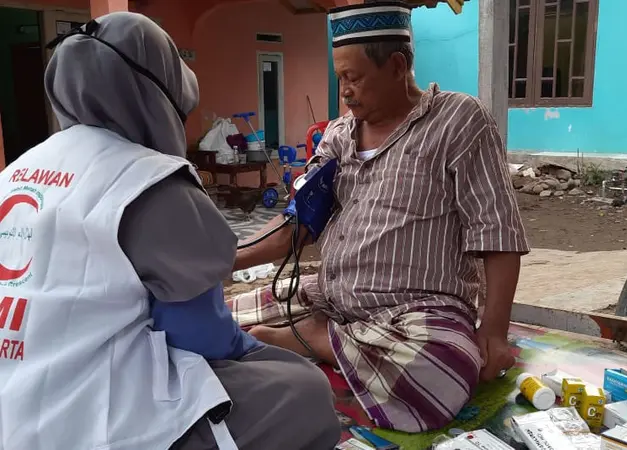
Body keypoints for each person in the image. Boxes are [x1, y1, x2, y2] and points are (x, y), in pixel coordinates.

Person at [0, 12, 339, 450]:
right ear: (153, 94)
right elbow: (201, 339)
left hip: (12, 399)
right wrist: (261, 354)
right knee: (304, 392)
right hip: (94, 416)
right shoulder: (148, 181)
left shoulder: (18, 172)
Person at [233, 1, 530, 433]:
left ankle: (313, 338)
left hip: (416, 314)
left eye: (353, 78)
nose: (345, 92)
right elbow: (297, 223)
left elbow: (497, 231)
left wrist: (496, 330)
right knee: (222, 316)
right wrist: (221, 259)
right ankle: (327, 337)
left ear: (396, 65)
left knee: (442, 365)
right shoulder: (338, 135)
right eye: (340, 79)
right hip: (329, 297)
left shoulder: (458, 120)